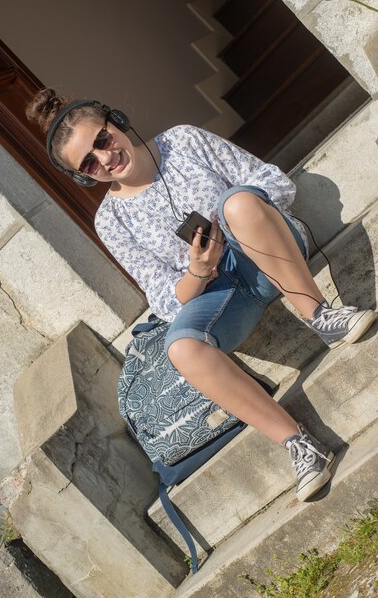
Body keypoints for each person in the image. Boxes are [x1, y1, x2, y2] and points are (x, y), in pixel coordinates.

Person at [26, 89, 376, 502]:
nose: (104, 158)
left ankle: (320, 315)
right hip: (219, 293)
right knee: (182, 348)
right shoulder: (111, 220)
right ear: (83, 176)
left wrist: (234, 216)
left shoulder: (182, 140)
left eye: (101, 140)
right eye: (88, 162)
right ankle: (299, 445)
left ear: (116, 122)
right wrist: (199, 269)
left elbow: (271, 181)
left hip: (270, 252)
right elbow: (164, 298)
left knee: (237, 203)